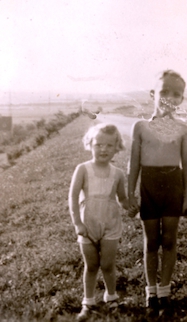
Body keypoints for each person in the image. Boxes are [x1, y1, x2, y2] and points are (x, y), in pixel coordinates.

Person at [128, 70, 187, 317]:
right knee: (151, 242)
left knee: (169, 241)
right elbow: (133, 163)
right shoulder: (141, 127)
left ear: (181, 100)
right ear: (153, 94)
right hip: (149, 186)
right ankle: (150, 291)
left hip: (173, 186)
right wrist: (130, 193)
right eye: (164, 91)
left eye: (176, 94)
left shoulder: (183, 130)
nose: (169, 97)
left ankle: (164, 291)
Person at [69, 123, 132, 321]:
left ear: (117, 148)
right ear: (90, 144)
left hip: (110, 224)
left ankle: (111, 298)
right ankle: (88, 302)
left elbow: (121, 198)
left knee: (107, 264)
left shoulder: (118, 173)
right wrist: (77, 223)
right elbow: (72, 197)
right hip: (88, 225)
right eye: (98, 145)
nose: (103, 149)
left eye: (109, 146)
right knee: (91, 265)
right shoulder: (83, 169)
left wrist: (130, 206)